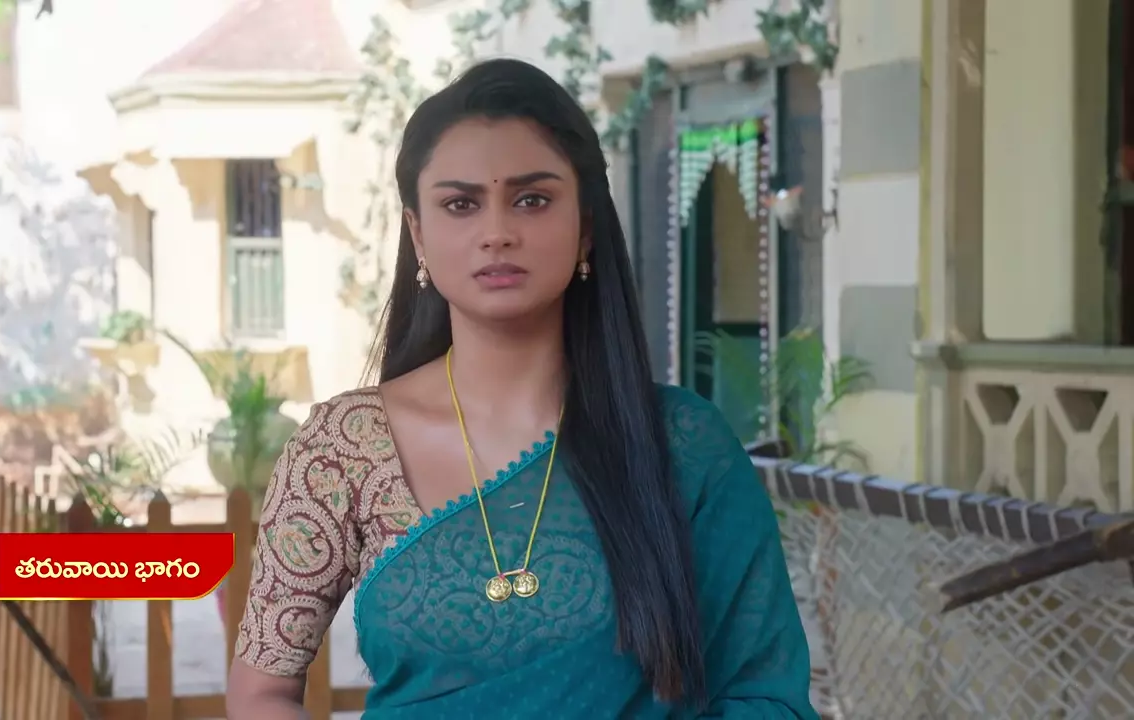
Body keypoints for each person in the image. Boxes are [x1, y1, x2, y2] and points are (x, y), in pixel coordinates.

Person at [226, 57, 817, 719]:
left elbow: (768, 696)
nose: (497, 233)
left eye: (532, 199)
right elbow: (262, 691)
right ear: (418, 234)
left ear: (585, 225)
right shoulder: (343, 450)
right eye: (460, 204)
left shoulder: (683, 444)